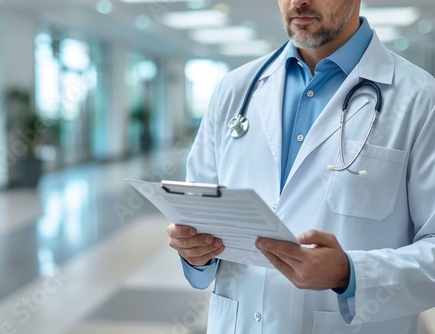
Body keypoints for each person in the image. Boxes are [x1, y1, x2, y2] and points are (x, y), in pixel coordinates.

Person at [167, 0, 435, 333]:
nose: (298, 2)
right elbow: (199, 211)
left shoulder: (421, 100)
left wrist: (350, 274)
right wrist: (195, 251)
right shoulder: (234, 89)